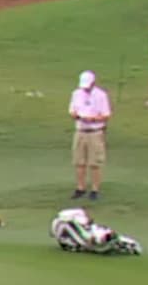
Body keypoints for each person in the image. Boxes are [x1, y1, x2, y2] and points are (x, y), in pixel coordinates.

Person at [68, 70, 110, 201]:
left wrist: (94, 119)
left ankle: (95, 189)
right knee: (79, 161)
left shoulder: (101, 95)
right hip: (80, 131)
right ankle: (80, 188)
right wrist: (76, 115)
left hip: (95, 132)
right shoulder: (76, 94)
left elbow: (106, 114)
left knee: (95, 163)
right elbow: (72, 110)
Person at [49, 207, 141, 255]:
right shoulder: (68, 222)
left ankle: (110, 240)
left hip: (76, 240)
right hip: (81, 240)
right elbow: (89, 239)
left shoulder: (67, 222)